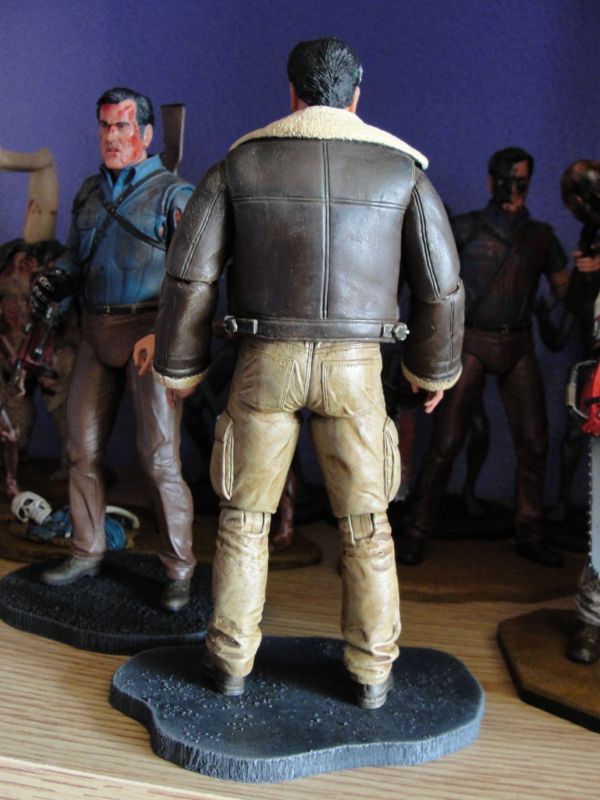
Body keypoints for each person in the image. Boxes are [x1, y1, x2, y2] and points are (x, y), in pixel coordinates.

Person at [153, 38, 464, 708]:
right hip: (357, 371)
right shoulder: (402, 172)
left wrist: (180, 368)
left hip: (265, 362)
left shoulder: (240, 165)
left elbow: (189, 274)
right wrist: (430, 370)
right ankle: (372, 673)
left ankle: (230, 664)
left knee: (244, 518)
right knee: (367, 525)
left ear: (292, 93)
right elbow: (440, 286)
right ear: (356, 95)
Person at [33, 87, 195, 612]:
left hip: (149, 332)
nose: (111, 136)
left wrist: (167, 335)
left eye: (122, 126)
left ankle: (179, 568)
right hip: (95, 331)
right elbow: (75, 258)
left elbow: (194, 280)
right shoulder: (88, 193)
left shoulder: (175, 196)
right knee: (80, 451)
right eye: (105, 126)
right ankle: (87, 549)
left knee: (159, 458)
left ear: (146, 133)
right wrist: (57, 279)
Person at [398, 147, 569, 567]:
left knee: (534, 441)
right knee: (446, 441)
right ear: (492, 181)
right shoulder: (466, 229)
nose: (513, 191)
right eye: (506, 181)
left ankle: (529, 530)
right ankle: (417, 528)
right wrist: (424, 346)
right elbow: (431, 286)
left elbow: (565, 293)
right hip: (472, 340)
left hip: (518, 342)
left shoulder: (540, 237)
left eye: (521, 183)